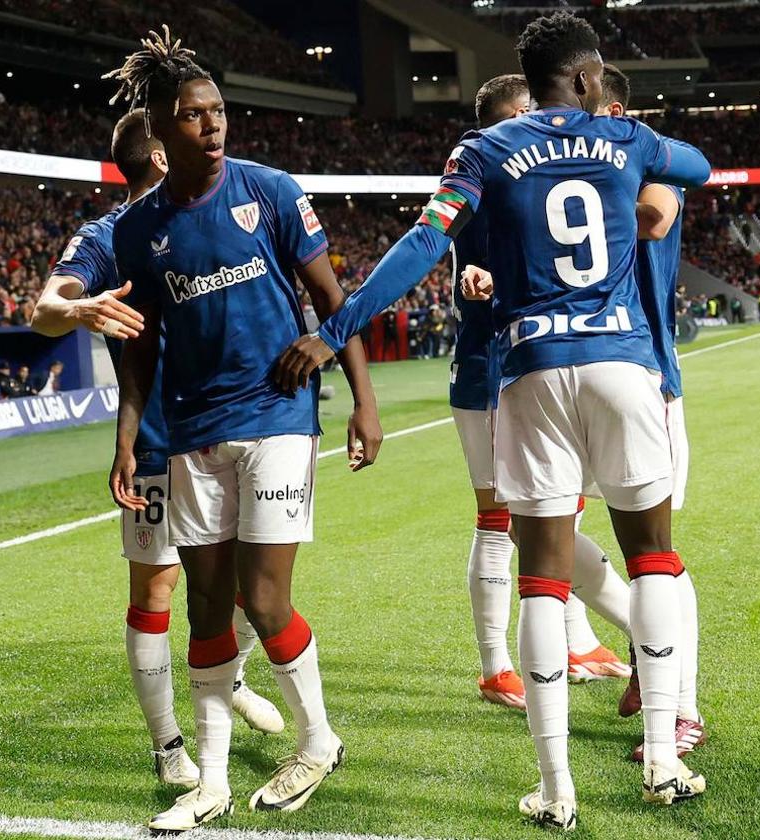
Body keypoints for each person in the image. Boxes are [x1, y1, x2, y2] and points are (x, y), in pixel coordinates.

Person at [275, 12, 711, 829]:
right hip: (623, 362)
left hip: (530, 371)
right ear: (586, 78)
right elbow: (699, 164)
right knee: (654, 556)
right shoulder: (626, 139)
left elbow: (419, 242)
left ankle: (555, 788)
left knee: (541, 575)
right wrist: (628, 139)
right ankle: (663, 756)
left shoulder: (483, 151)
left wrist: (337, 329)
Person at [103, 27, 382, 831]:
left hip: (277, 417)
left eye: (219, 111)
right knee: (206, 610)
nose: (214, 126)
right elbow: (141, 347)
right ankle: (211, 783)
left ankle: (319, 739)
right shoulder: (137, 232)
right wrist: (130, 432)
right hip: (191, 432)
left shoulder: (271, 191)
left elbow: (337, 301)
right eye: (194, 115)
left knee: (264, 600)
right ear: (162, 128)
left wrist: (362, 400)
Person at [30, 107, 283, 791]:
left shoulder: (216, 207)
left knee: (252, 587)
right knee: (159, 587)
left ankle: (225, 679)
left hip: (231, 425)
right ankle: (169, 746)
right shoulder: (111, 234)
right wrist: (80, 309)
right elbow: (44, 307)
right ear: (163, 157)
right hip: (156, 441)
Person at [448, 74, 630, 714]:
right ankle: (496, 665)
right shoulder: (478, 175)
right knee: (503, 519)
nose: (534, 125)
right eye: (518, 116)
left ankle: (578, 639)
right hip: (489, 367)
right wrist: (473, 279)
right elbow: (461, 262)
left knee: (566, 508)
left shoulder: (539, 176)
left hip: (542, 363)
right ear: (490, 128)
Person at [597, 63, 704, 762]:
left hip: (647, 381)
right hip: (565, 379)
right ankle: (644, 641)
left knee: (654, 552)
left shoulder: (648, 157)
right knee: (528, 536)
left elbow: (657, 216)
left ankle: (683, 707)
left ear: (610, 110)